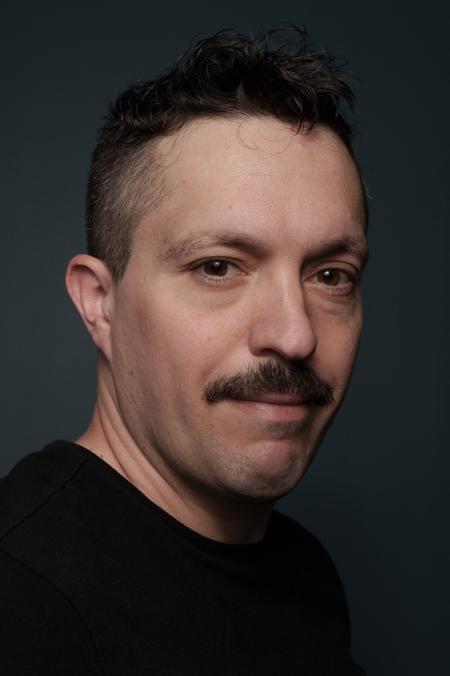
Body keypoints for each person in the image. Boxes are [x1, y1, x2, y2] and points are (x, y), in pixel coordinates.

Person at [0, 27, 369, 675]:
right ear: (99, 302)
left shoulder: (304, 573)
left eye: (330, 275)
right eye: (219, 267)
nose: (295, 335)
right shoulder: (22, 601)